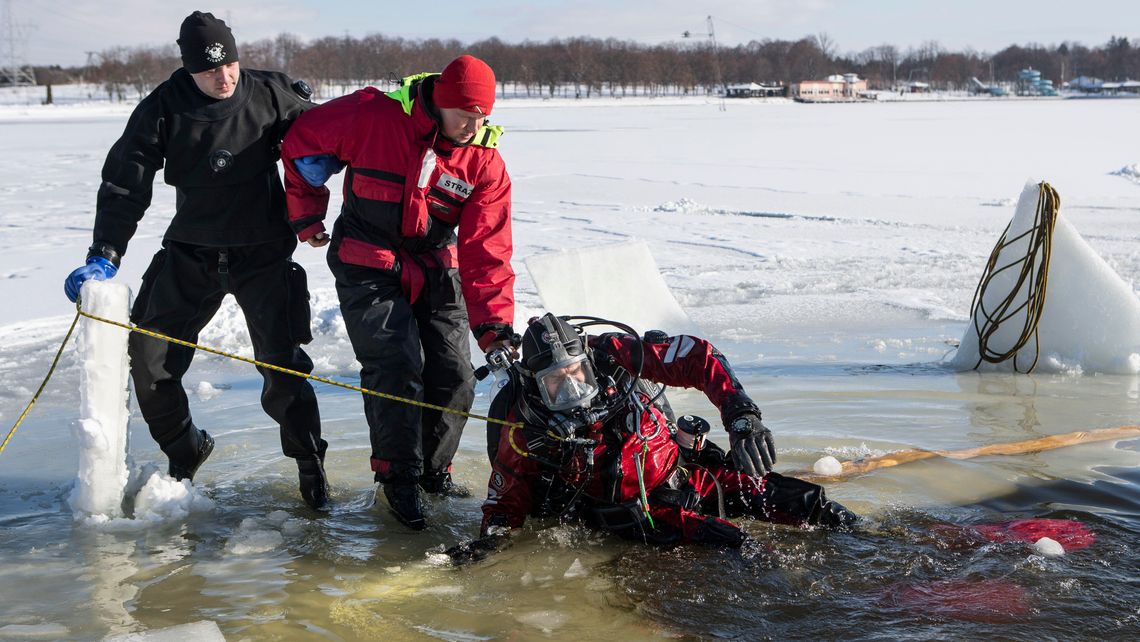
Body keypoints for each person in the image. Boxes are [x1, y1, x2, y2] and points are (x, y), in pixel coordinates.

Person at [62, 12, 329, 509]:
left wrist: (320, 176)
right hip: (191, 253)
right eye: (209, 71)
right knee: (149, 359)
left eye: (229, 64)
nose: (223, 77)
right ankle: (186, 448)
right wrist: (105, 253)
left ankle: (310, 466)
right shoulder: (164, 107)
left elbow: (335, 136)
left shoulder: (271, 93)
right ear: (187, 69)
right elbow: (126, 182)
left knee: (283, 366)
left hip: (264, 252)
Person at [279, 55, 515, 530]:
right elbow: (301, 143)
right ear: (442, 102)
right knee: (396, 365)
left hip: (433, 265)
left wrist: (495, 328)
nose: (474, 125)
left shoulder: (484, 160)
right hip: (366, 261)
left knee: (457, 375)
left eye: (482, 116)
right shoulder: (373, 114)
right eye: (465, 114)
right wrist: (307, 213)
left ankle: (432, 471)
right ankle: (398, 479)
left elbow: (487, 251)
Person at [451, 313, 856, 561]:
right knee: (741, 547)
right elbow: (506, 503)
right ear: (537, 385)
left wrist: (742, 415)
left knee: (811, 504)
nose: (574, 391)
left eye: (578, 376)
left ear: (588, 362)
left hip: (684, 472)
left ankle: (881, 540)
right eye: (558, 384)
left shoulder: (611, 354)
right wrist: (488, 546)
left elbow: (698, 358)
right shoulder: (524, 423)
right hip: (642, 511)